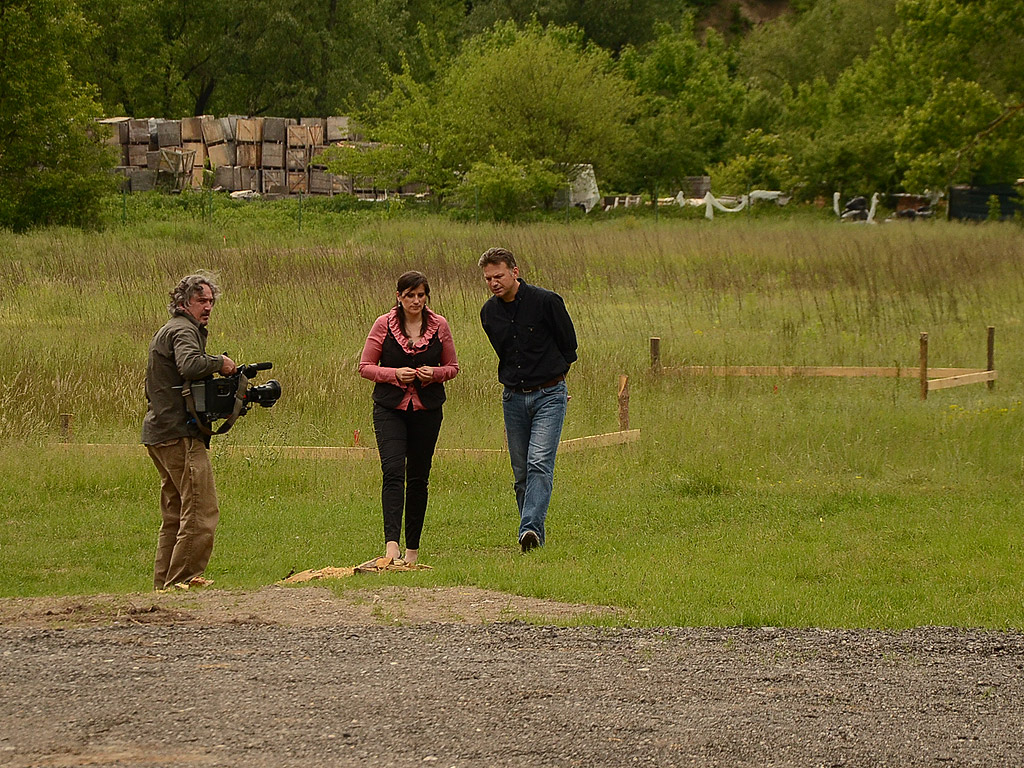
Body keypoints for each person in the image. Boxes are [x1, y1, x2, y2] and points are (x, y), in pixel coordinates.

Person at [141, 273, 237, 590]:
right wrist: (219, 362)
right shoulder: (183, 330)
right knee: (200, 510)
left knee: (175, 515)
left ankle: (163, 587)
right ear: (183, 303)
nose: (208, 307)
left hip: (160, 432)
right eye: (201, 301)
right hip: (179, 435)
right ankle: (182, 581)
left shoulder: (170, 330)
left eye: (211, 301)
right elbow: (190, 365)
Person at [478, 247, 577, 552]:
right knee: (521, 472)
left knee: (539, 463)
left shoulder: (546, 301)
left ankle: (529, 527)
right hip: (514, 398)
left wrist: (553, 378)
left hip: (549, 394)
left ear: (515, 272)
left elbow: (568, 346)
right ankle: (532, 539)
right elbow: (505, 353)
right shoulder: (489, 313)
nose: (494, 282)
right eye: (488, 278)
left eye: (499, 275)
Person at [359, 271, 459, 565]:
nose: (416, 301)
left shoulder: (439, 325)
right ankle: (392, 545)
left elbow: (452, 366)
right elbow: (365, 366)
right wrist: (393, 375)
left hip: (427, 409)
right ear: (399, 297)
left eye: (421, 295)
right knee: (392, 472)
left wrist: (435, 373)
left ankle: (413, 550)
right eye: (410, 296)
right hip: (390, 408)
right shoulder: (383, 324)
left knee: (419, 477)